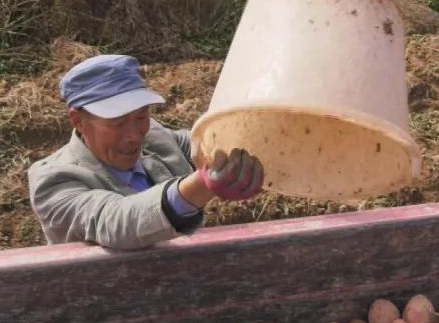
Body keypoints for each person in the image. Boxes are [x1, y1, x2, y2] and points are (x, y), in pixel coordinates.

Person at [28, 55, 265, 250]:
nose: (134, 135)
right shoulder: (54, 180)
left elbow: (209, 146)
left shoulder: (156, 138)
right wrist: (201, 185)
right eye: (117, 123)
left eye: (141, 117)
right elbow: (115, 221)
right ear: (78, 121)